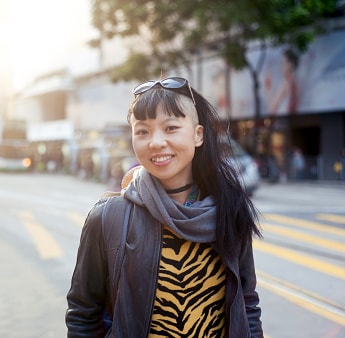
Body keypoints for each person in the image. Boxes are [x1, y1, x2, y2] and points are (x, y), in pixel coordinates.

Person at [66, 76, 264, 337]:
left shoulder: (230, 211)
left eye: (170, 128)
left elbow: (247, 305)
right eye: (143, 131)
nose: (156, 142)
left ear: (198, 135)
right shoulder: (107, 217)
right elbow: (83, 314)